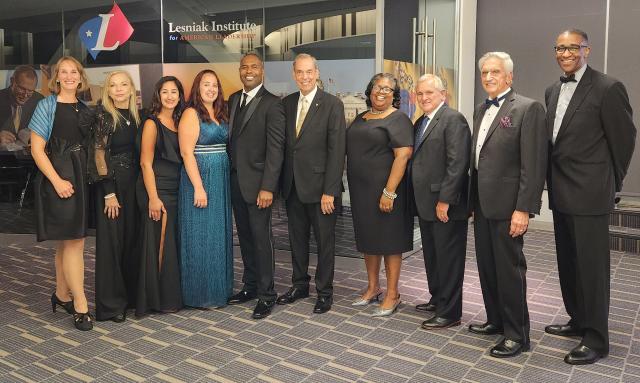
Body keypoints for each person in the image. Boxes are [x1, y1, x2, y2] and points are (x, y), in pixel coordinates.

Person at [544, 29, 636, 365]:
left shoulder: (608, 87)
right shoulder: (552, 89)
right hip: (560, 190)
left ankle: (597, 338)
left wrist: (612, 182)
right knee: (568, 262)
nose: (565, 53)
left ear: (587, 49)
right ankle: (578, 319)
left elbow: (624, 139)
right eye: (560, 47)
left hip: (591, 192)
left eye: (572, 47)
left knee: (592, 268)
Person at [468, 52, 547, 358]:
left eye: (495, 72)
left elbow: (533, 164)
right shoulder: (479, 110)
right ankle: (495, 320)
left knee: (510, 271)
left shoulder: (528, 108)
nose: (488, 77)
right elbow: (480, 160)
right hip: (483, 205)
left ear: (509, 76)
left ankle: (517, 334)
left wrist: (523, 209)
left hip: (509, 206)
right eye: (484, 72)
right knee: (487, 268)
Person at [277, 53, 346, 314]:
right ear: (294, 75)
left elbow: (337, 150)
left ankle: (324, 292)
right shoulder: (287, 104)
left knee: (324, 243)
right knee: (297, 240)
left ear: (316, 73)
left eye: (309, 72)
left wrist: (330, 190)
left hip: (321, 190)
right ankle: (299, 284)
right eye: (299, 72)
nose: (304, 77)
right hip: (293, 186)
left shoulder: (332, 104)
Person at [29, 56, 93, 331]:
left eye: (73, 72)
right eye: (63, 72)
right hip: (60, 179)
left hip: (80, 179)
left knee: (67, 242)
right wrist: (56, 181)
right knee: (75, 241)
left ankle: (61, 294)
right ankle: (80, 304)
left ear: (80, 77)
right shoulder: (47, 105)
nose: (68, 76)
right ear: (56, 78)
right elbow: (36, 150)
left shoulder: (84, 107)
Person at [346, 73, 413, 317]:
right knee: (369, 240)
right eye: (377, 87)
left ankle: (392, 294)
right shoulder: (361, 118)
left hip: (387, 191)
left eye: (388, 88)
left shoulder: (399, 119)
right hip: (361, 191)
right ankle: (373, 288)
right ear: (370, 90)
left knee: (389, 241)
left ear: (395, 95)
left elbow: (403, 156)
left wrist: (389, 191)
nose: (381, 91)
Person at [226, 53, 285, 319]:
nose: (248, 71)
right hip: (236, 183)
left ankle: (267, 294)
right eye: (244, 67)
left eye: (254, 67)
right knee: (246, 238)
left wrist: (268, 187)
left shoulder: (273, 104)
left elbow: (276, 151)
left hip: (259, 186)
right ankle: (250, 287)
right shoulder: (234, 99)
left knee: (262, 240)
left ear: (262, 70)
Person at [410, 74, 470, 328]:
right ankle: (438, 298)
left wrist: (445, 200)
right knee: (433, 256)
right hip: (426, 202)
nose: (424, 98)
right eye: (420, 93)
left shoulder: (453, 119)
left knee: (449, 259)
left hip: (445, 204)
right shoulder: (421, 121)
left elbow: (457, 164)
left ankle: (450, 312)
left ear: (443, 95)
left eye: (429, 93)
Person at [83, 71, 142, 323]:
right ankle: (111, 305)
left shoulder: (138, 117)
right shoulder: (104, 117)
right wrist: (108, 193)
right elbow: (98, 156)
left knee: (131, 241)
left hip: (134, 185)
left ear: (131, 89)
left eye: (124, 84)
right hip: (112, 186)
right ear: (107, 90)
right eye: (113, 85)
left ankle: (129, 298)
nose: (119, 89)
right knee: (112, 245)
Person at [178, 69, 233, 308]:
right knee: (200, 234)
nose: (211, 89)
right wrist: (198, 187)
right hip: (200, 177)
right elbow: (186, 152)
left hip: (221, 177)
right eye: (205, 84)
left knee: (218, 232)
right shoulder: (191, 113)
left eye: (214, 85)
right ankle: (200, 293)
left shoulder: (221, 112)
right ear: (197, 88)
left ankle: (219, 288)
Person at [135, 76, 186, 316]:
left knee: (173, 245)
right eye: (164, 91)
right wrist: (153, 198)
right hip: (158, 189)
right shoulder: (151, 124)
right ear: (158, 95)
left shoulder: (180, 120)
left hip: (178, 188)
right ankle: (158, 300)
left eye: (174, 91)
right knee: (159, 244)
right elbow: (145, 163)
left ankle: (173, 296)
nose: (169, 96)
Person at [0, 65, 43, 146]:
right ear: (12, 81)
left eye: (30, 91)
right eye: (22, 88)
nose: (25, 95)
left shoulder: (39, 101)